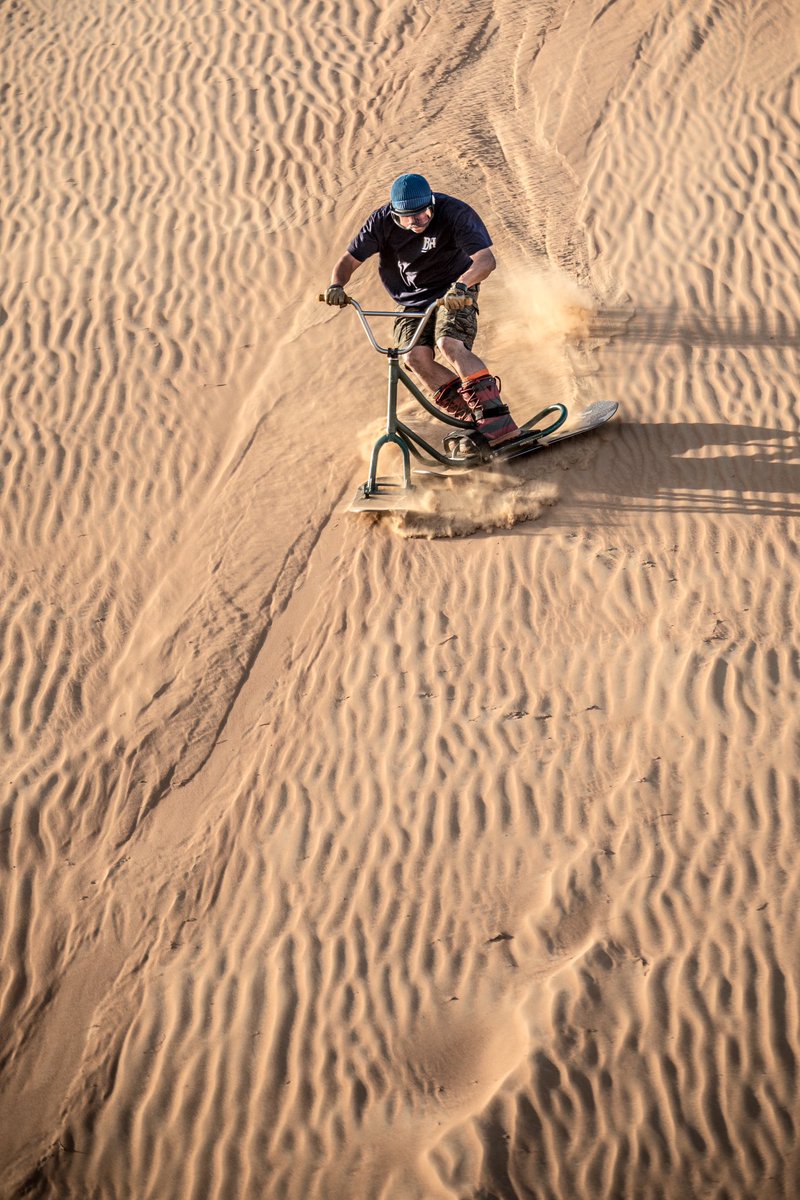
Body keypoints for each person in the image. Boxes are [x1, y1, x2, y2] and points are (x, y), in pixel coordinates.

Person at [324, 172, 519, 454]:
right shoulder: (379, 223)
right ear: (394, 216)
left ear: (432, 205)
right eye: (407, 218)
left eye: (423, 214)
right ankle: (472, 419)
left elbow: (485, 261)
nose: (416, 222)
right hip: (412, 300)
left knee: (448, 343)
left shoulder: (455, 213)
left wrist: (462, 286)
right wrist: (336, 285)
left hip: (456, 290)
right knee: (412, 357)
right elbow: (349, 260)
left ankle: (498, 424)